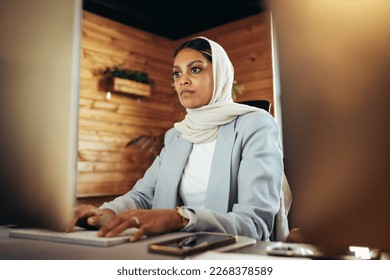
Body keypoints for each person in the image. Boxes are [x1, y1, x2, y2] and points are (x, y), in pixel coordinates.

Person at [71, 37, 284, 242]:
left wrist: (180, 218)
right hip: (170, 251)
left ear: (220, 74)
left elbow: (255, 224)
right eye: (176, 73)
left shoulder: (256, 125)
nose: (183, 80)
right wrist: (102, 212)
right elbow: (143, 196)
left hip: (227, 256)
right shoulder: (177, 135)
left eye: (195, 69)